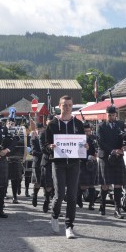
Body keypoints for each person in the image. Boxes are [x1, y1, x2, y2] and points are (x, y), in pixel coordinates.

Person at [43, 95, 87, 238]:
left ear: (72, 105)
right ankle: (55, 215)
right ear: (59, 106)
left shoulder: (78, 124)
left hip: (74, 163)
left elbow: (83, 143)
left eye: (69, 105)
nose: (67, 107)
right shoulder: (52, 124)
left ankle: (69, 226)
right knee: (60, 194)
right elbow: (44, 145)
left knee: (72, 196)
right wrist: (50, 147)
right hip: (58, 163)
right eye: (64, 105)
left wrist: (86, 146)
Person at [97, 105, 126, 219]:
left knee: (118, 183)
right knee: (105, 184)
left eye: (113, 115)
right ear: (106, 114)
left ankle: (117, 209)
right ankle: (102, 205)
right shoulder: (101, 126)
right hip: (105, 157)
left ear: (116, 114)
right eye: (109, 115)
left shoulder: (120, 125)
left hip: (118, 157)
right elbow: (100, 142)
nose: (111, 117)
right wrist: (112, 151)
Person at [76, 123, 98, 210]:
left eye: (89, 131)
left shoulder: (94, 138)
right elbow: (78, 153)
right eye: (85, 131)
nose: (87, 133)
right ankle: (78, 198)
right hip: (83, 163)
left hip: (92, 163)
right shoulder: (79, 139)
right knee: (83, 185)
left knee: (92, 185)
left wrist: (96, 153)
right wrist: (88, 157)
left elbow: (97, 149)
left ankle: (91, 203)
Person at [40, 115, 55, 213]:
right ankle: (46, 201)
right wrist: (50, 149)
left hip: (57, 161)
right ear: (46, 122)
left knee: (56, 185)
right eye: (49, 121)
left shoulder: (57, 133)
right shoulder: (43, 134)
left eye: (52, 122)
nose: (50, 123)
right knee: (48, 184)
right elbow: (42, 148)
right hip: (47, 161)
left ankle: (54, 204)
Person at [30, 123, 45, 207]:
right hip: (37, 163)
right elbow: (33, 151)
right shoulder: (33, 139)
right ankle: (35, 195)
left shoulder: (47, 139)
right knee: (38, 183)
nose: (39, 131)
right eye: (38, 129)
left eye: (41, 129)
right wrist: (44, 154)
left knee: (48, 184)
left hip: (46, 163)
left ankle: (47, 201)